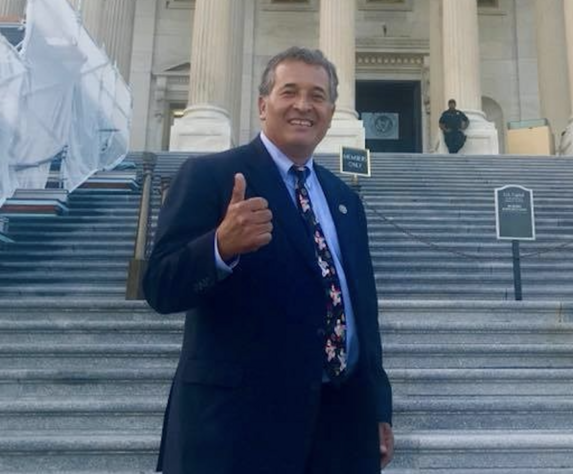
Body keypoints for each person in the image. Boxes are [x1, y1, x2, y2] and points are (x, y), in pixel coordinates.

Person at [144, 46, 394, 474]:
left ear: (332, 112)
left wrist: (377, 407)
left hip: (339, 421)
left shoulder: (344, 199)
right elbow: (160, 286)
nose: (303, 105)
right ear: (263, 105)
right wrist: (220, 247)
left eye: (317, 96)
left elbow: (361, 314)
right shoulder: (212, 176)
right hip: (240, 426)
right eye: (289, 91)